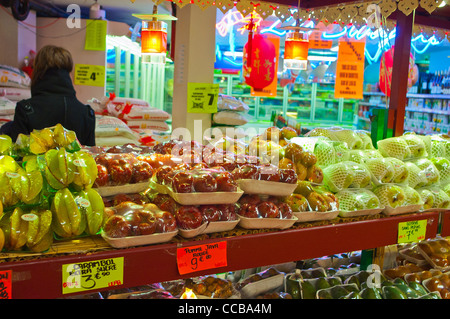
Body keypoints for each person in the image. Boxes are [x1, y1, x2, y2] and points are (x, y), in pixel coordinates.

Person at [0, 45, 96, 146]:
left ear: (37, 71)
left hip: (33, 162)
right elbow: (91, 155)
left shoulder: (25, 109)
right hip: (75, 162)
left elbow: (17, 156)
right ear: (68, 74)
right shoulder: (87, 114)